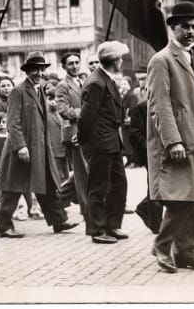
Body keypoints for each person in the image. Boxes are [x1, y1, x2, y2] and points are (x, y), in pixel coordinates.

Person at [147, 1, 194, 273]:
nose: (191, 31)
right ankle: (163, 246)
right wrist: (172, 140)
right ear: (172, 28)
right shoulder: (161, 60)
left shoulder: (191, 57)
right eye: (185, 26)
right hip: (179, 142)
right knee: (181, 198)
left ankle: (186, 250)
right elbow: (159, 105)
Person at [0, 51, 78, 238]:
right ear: (27, 71)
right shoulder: (18, 91)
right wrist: (20, 146)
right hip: (23, 148)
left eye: (41, 70)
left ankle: (59, 221)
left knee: (46, 184)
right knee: (13, 186)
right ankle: (4, 225)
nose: (39, 73)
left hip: (39, 148)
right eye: (35, 70)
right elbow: (12, 122)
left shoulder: (39, 89)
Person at [78, 41, 129, 244]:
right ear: (114, 60)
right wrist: (85, 142)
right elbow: (86, 117)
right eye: (120, 59)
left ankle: (111, 224)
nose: (122, 62)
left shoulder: (105, 79)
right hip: (100, 143)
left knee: (119, 184)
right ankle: (97, 230)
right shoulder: (96, 82)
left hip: (111, 142)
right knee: (98, 187)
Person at [55, 52, 89, 218]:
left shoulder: (83, 82)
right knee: (82, 172)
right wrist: (84, 113)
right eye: (70, 64)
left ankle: (56, 200)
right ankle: (86, 209)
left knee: (80, 171)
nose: (75, 66)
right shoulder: (63, 86)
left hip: (86, 131)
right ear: (64, 67)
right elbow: (62, 110)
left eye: (77, 62)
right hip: (73, 133)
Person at [128, 86, 162, 234]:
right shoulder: (139, 108)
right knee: (155, 186)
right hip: (149, 154)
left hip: (163, 152)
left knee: (159, 186)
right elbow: (134, 134)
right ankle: (155, 222)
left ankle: (145, 208)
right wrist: (149, 147)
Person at [46, 81, 69, 184]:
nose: (52, 102)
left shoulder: (63, 112)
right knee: (58, 175)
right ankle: (60, 196)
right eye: (49, 99)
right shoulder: (45, 115)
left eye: (54, 99)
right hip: (54, 150)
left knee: (67, 174)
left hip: (65, 148)